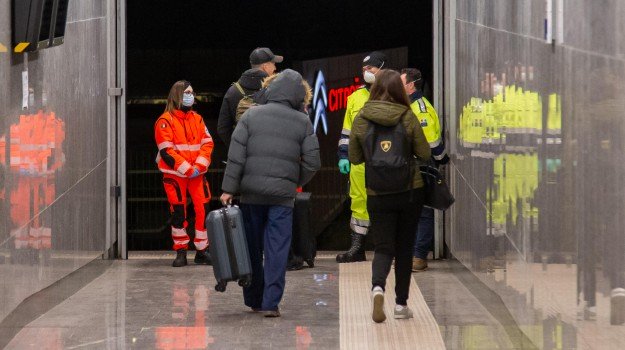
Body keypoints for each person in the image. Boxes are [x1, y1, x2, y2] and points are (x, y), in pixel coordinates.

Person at [220, 69, 320, 317]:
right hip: (282, 198)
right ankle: (271, 303)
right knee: (276, 249)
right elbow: (313, 162)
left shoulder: (251, 116)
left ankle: (254, 298)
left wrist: (228, 189)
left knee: (252, 247)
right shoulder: (302, 121)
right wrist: (291, 180)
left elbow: (236, 156)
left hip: (251, 195)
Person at [348, 69, 430, 323]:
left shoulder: (362, 117)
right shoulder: (408, 116)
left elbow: (354, 157)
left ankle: (377, 288)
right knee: (404, 248)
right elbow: (425, 153)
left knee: (383, 247)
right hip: (408, 191)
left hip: (377, 191)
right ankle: (401, 305)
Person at [154, 80, 215, 267]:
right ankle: (181, 251)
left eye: (192, 92)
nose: (191, 95)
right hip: (175, 175)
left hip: (197, 174)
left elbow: (207, 143)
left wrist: (199, 166)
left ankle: (202, 251)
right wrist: (188, 169)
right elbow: (167, 151)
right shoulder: (165, 121)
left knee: (202, 209)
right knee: (179, 213)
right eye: (188, 92)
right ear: (178, 95)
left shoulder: (197, 118)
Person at [336, 51, 387, 263]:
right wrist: (343, 155)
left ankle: (387, 248)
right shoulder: (354, 97)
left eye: (371, 69)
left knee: (386, 203)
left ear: (382, 69)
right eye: (364, 69)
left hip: (385, 160)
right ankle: (357, 248)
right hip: (359, 161)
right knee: (358, 202)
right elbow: (347, 131)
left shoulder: (392, 94)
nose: (366, 72)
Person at [400, 68, 449, 272]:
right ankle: (410, 254)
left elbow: (431, 143)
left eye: (401, 83)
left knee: (423, 213)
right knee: (410, 213)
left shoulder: (420, 109)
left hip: (421, 166)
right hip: (407, 166)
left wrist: (439, 160)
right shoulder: (406, 106)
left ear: (411, 85)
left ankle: (419, 257)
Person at [217, 47, 283, 149]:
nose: (275, 68)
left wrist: (237, 149)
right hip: (272, 153)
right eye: (273, 64)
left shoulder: (233, 91)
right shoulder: (276, 89)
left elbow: (222, 128)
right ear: (265, 66)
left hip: (243, 155)